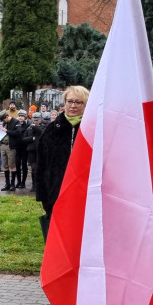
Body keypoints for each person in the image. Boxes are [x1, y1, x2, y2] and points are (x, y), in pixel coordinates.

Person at [35, 86, 89, 226]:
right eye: (69, 101)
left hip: (86, 196)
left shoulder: (93, 130)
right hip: (56, 194)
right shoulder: (51, 130)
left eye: (79, 102)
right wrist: (43, 197)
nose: (73, 105)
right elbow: (41, 165)